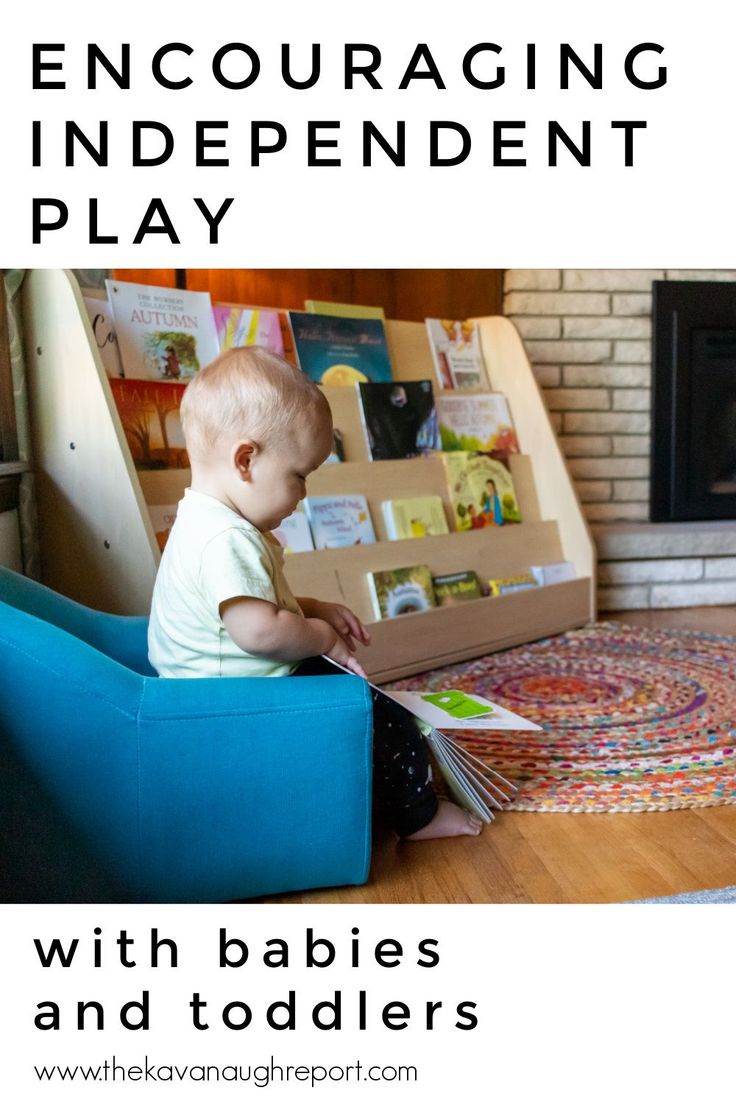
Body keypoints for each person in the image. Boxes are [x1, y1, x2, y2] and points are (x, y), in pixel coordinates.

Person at [148, 347, 482, 841]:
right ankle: (417, 817)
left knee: (361, 699)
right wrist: (323, 637)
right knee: (382, 717)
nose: (303, 495)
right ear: (246, 460)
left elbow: (245, 607)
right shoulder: (227, 539)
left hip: (212, 683)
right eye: (299, 476)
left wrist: (312, 608)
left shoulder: (204, 519)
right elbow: (258, 631)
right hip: (231, 697)